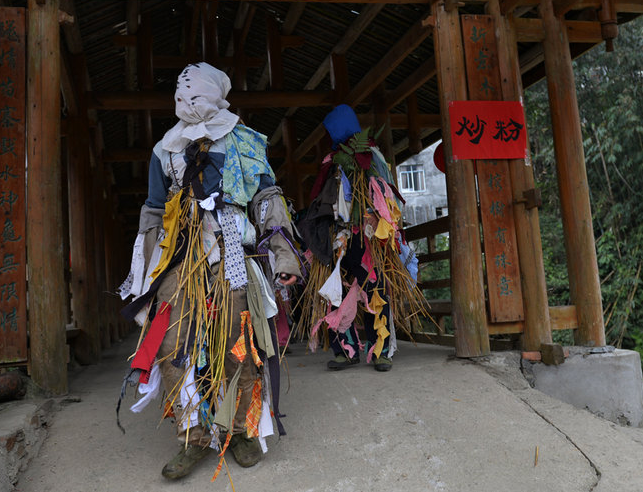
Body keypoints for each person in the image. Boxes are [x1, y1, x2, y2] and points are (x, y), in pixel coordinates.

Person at [117, 62, 301, 481]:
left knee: (240, 341)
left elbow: (267, 198)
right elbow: (153, 208)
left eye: (196, 95)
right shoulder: (165, 149)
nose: (187, 103)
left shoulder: (245, 141)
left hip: (233, 252)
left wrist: (284, 254)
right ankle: (193, 436)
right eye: (180, 97)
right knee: (172, 342)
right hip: (181, 258)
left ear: (218, 96)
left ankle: (241, 431)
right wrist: (144, 269)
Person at [296, 104, 421, 372]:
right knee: (336, 292)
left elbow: (385, 194)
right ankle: (346, 350)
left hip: (370, 237)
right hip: (340, 238)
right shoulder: (332, 162)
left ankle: (382, 351)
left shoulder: (372, 156)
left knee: (376, 291)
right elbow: (320, 201)